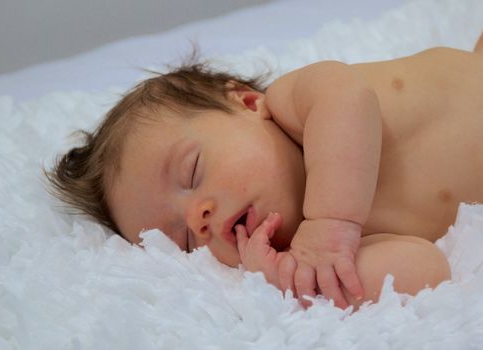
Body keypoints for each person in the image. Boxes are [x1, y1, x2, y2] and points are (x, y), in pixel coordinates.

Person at [47, 34, 483, 309]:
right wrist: (294, 280)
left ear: (248, 103)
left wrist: (330, 224)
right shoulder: (317, 249)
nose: (198, 216)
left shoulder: (292, 105)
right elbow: (424, 270)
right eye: (182, 238)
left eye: (193, 170)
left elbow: (349, 97)